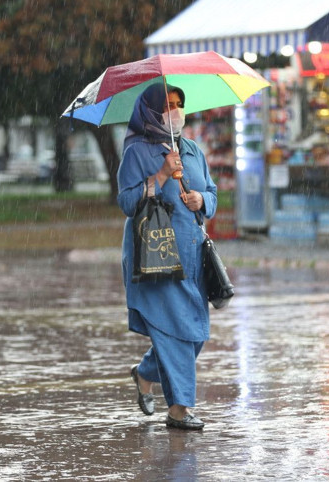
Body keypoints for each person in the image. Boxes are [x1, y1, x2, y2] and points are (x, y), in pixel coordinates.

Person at [117, 83, 218, 431]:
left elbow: (213, 193)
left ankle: (145, 374)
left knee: (195, 332)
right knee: (175, 330)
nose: (174, 112)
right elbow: (128, 203)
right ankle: (179, 409)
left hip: (191, 258)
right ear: (150, 112)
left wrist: (202, 200)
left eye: (179, 104)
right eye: (167, 106)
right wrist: (159, 175)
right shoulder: (136, 152)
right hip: (155, 256)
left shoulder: (191, 150)